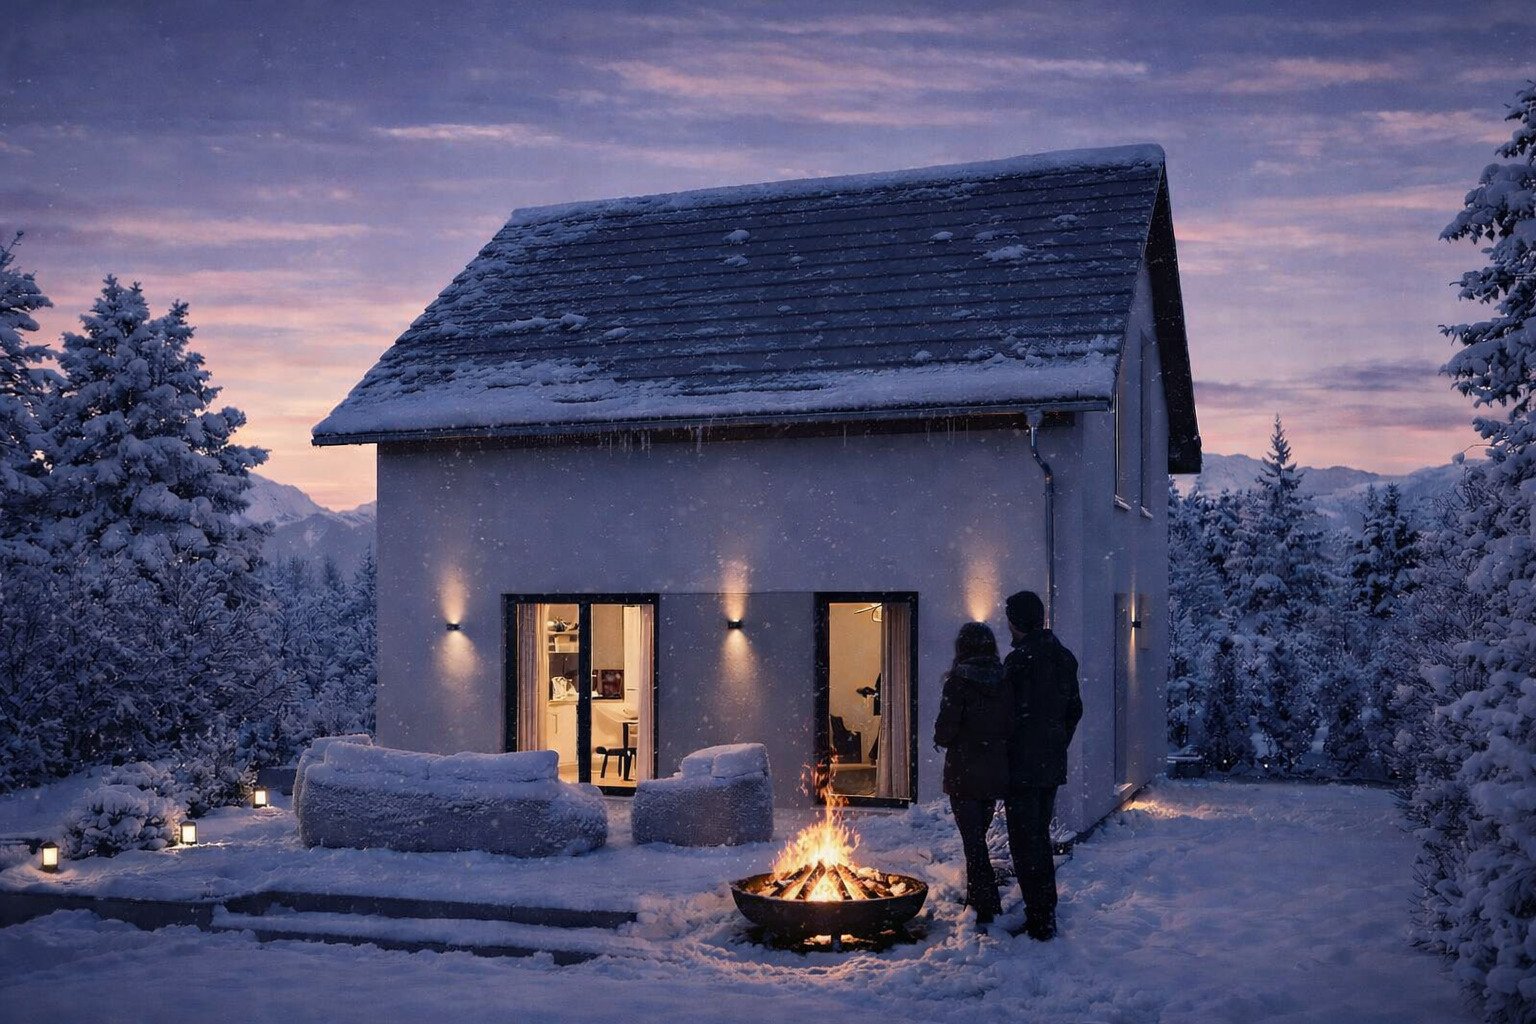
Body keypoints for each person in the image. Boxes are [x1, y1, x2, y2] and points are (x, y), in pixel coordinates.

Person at [1002, 589, 1082, 941]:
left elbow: (1005, 715)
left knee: (1025, 843)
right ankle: (1044, 911)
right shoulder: (1063, 658)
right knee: (1038, 839)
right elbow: (1074, 710)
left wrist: (1013, 746)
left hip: (1022, 767)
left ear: (1016, 622)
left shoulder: (1019, 662)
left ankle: (1040, 919)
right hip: (1049, 765)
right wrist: (1056, 742)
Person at [933, 621, 1013, 928]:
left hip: (964, 771)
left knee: (973, 840)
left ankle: (984, 903)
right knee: (977, 836)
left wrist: (943, 736)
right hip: (994, 769)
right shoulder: (1004, 679)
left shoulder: (958, 682)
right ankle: (979, 899)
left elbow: (946, 728)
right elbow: (1009, 722)